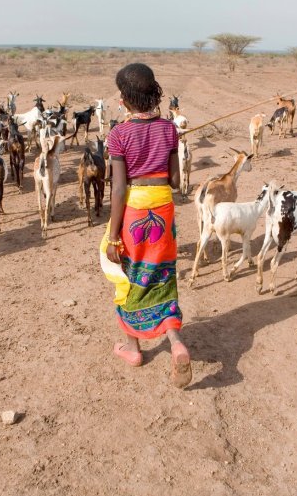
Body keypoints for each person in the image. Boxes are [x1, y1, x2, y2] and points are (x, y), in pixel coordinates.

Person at [100, 63, 191, 388]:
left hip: (136, 214)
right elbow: (178, 180)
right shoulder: (168, 129)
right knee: (161, 274)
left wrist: (112, 236)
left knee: (127, 277)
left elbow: (119, 189)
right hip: (163, 209)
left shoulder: (119, 135)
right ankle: (176, 343)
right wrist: (169, 142)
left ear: (124, 100)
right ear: (154, 93)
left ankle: (133, 348)